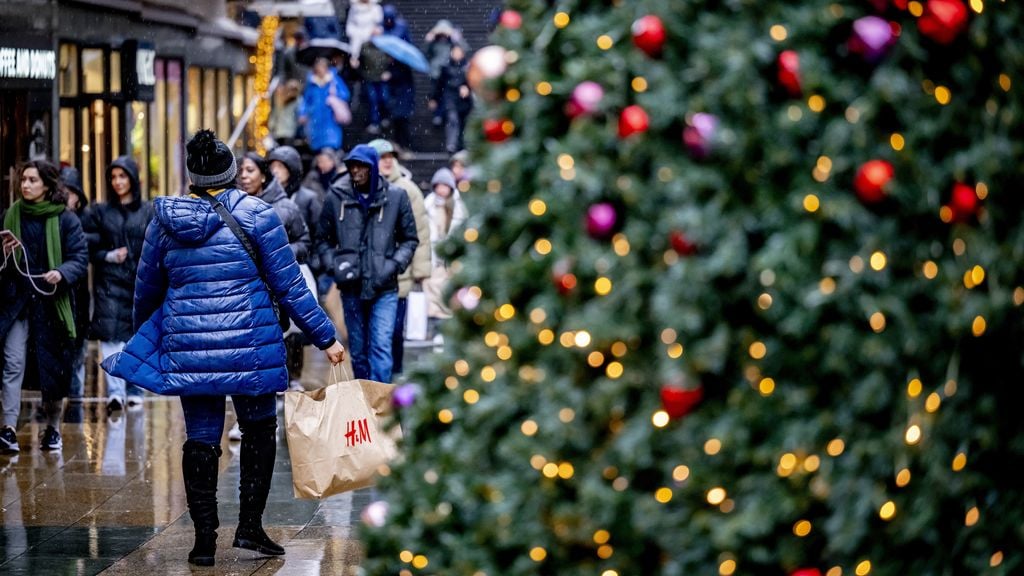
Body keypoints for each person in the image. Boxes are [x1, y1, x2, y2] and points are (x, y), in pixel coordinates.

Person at [104, 130, 345, 566]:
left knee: (200, 438)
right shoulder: (258, 214)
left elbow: (147, 287)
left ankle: (203, 541)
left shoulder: (165, 220)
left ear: (193, 177)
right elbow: (289, 285)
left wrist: (148, 336)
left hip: (191, 346)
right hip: (250, 345)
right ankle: (250, 528)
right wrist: (325, 337)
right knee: (257, 431)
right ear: (232, 172)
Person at [0, 160, 88, 453]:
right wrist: (3, 254)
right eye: (23, 179)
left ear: (48, 185)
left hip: (53, 305)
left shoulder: (65, 219)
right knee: (13, 364)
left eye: (32, 180)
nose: (25, 185)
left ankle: (53, 428)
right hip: (18, 304)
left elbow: (79, 257)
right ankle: (9, 428)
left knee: (54, 369)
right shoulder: (10, 216)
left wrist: (61, 272)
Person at [316, 144, 417, 384]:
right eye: (352, 166)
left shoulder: (395, 197)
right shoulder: (336, 197)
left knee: (381, 347)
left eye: (362, 166)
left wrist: (392, 266)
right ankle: (365, 401)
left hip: (385, 287)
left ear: (373, 168)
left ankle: (380, 404)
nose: (356, 171)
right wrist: (335, 267)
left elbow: (410, 239)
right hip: (350, 288)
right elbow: (322, 239)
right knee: (358, 352)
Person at [82, 156, 154, 412]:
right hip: (109, 284)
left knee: (137, 337)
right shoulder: (99, 213)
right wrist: (107, 256)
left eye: (123, 176)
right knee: (110, 336)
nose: (118, 182)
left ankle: (135, 389)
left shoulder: (148, 211)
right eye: (113, 177)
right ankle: (115, 392)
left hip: (139, 283)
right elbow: (86, 246)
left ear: (133, 179)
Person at [239, 151, 313, 393]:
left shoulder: (286, 207)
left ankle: (287, 379)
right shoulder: (233, 206)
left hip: (278, 284)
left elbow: (305, 243)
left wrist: (280, 253)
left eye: (250, 171)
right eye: (240, 171)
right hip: (245, 286)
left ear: (263, 175)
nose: (244, 177)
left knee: (284, 334)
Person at [367, 139, 431, 374]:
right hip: (368, 273)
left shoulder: (407, 189)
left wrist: (420, 271)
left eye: (390, 156)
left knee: (393, 332)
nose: (387, 161)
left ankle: (395, 376)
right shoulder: (363, 187)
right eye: (381, 157)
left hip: (398, 273)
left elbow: (421, 232)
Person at [60, 166, 91, 401]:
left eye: (70, 192)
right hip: (57, 293)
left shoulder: (85, 221)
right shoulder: (54, 221)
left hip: (79, 294)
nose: (66, 196)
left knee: (78, 347)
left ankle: (75, 396)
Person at [423, 167, 467, 321]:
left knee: (449, 288)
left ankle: (448, 320)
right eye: (438, 186)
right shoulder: (428, 205)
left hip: (452, 256)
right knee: (433, 287)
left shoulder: (458, 207)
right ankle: (436, 320)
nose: (441, 190)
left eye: (445, 186)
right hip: (434, 256)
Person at [299, 56, 351, 153]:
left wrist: (334, 97)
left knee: (329, 144)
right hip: (315, 118)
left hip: (330, 117)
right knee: (316, 146)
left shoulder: (334, 80)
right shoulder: (312, 83)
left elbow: (345, 94)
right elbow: (306, 100)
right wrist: (303, 113)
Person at [431, 44, 474, 154]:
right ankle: (452, 144)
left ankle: (462, 144)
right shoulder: (446, 66)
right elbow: (439, 84)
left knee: (463, 122)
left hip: (464, 99)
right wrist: (434, 98)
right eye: (455, 51)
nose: (456, 54)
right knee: (452, 119)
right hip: (450, 97)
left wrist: (467, 87)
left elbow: (473, 80)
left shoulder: (468, 67)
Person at [424, 19, 465, 128]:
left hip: (447, 72)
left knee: (445, 95)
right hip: (436, 72)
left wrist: (455, 36)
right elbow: (426, 53)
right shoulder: (435, 42)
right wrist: (429, 40)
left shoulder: (451, 42)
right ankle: (437, 115)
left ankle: (443, 114)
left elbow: (463, 49)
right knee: (435, 94)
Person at [345, 0, 383, 66]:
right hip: (357, 35)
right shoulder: (354, 8)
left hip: (371, 36)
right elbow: (350, 24)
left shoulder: (376, 8)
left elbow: (379, 23)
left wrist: (376, 30)